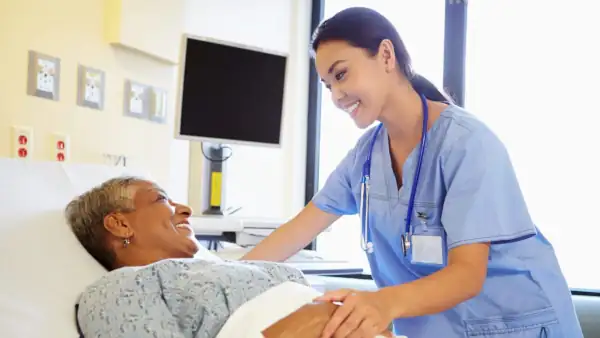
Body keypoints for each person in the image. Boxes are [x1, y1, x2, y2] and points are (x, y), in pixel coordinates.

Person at [241, 6, 584, 338]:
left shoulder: (467, 144)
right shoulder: (365, 158)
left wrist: (381, 304)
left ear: (386, 56)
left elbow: (467, 276)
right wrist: (225, 277)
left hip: (517, 326)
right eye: (328, 85)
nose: (336, 96)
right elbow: (296, 231)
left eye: (341, 74)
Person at [66, 176, 393, 338]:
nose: (185, 209)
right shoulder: (117, 291)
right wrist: (310, 323)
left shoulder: (215, 268)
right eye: (161, 199)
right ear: (120, 223)